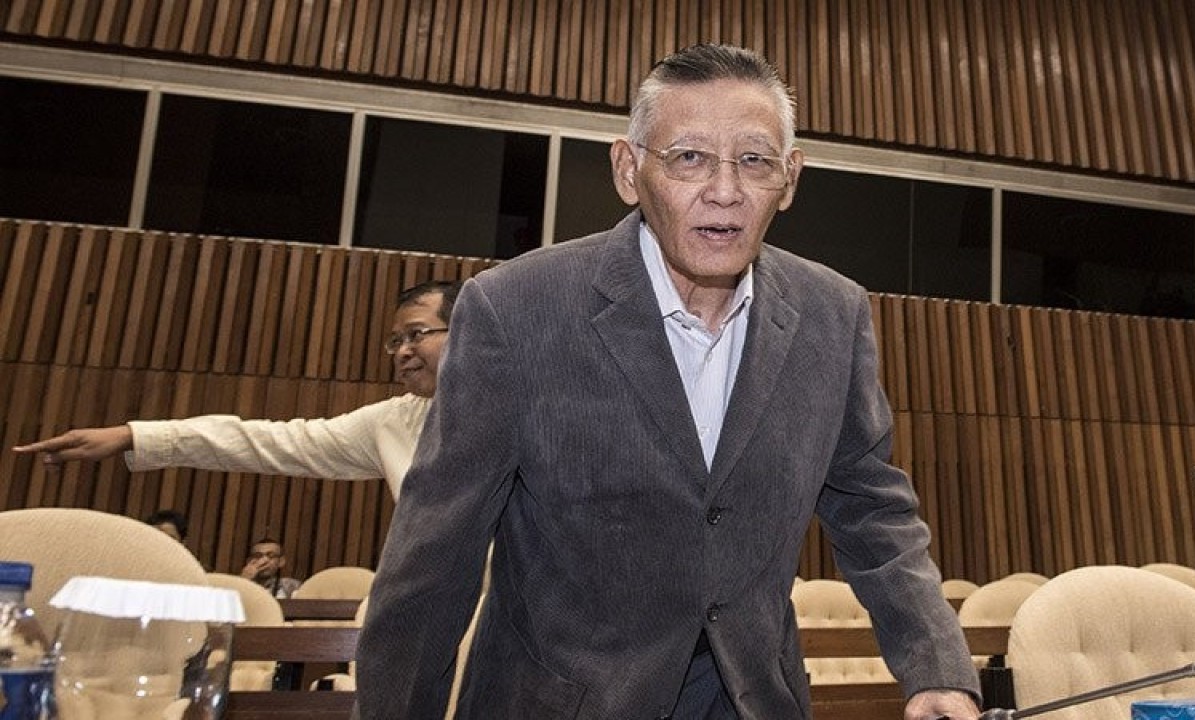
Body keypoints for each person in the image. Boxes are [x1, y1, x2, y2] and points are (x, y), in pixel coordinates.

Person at [355, 44, 980, 720]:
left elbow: (872, 508)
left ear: (790, 178)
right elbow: (435, 556)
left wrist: (937, 670)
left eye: (754, 160)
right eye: (689, 157)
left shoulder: (832, 314)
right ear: (629, 170)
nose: (725, 190)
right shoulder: (516, 309)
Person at [12, 280, 459, 500]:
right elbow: (266, 442)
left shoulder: (508, 406)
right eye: (395, 341)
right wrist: (131, 435)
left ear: (467, 333)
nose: (402, 351)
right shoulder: (391, 422)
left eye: (416, 335)